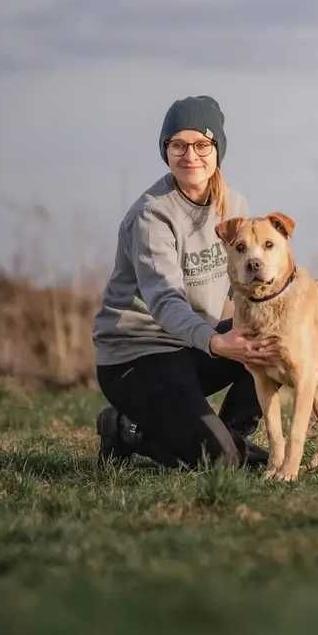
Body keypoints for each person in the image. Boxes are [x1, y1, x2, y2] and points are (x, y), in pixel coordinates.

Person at [92, 95, 279, 468]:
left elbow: (248, 282)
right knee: (220, 463)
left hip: (191, 348)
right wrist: (216, 342)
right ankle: (126, 428)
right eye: (177, 145)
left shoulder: (234, 208)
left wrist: (298, 299)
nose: (190, 155)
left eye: (201, 145)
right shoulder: (152, 215)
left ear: (217, 150)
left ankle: (232, 435)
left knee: (272, 338)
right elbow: (165, 302)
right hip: (137, 355)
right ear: (166, 150)